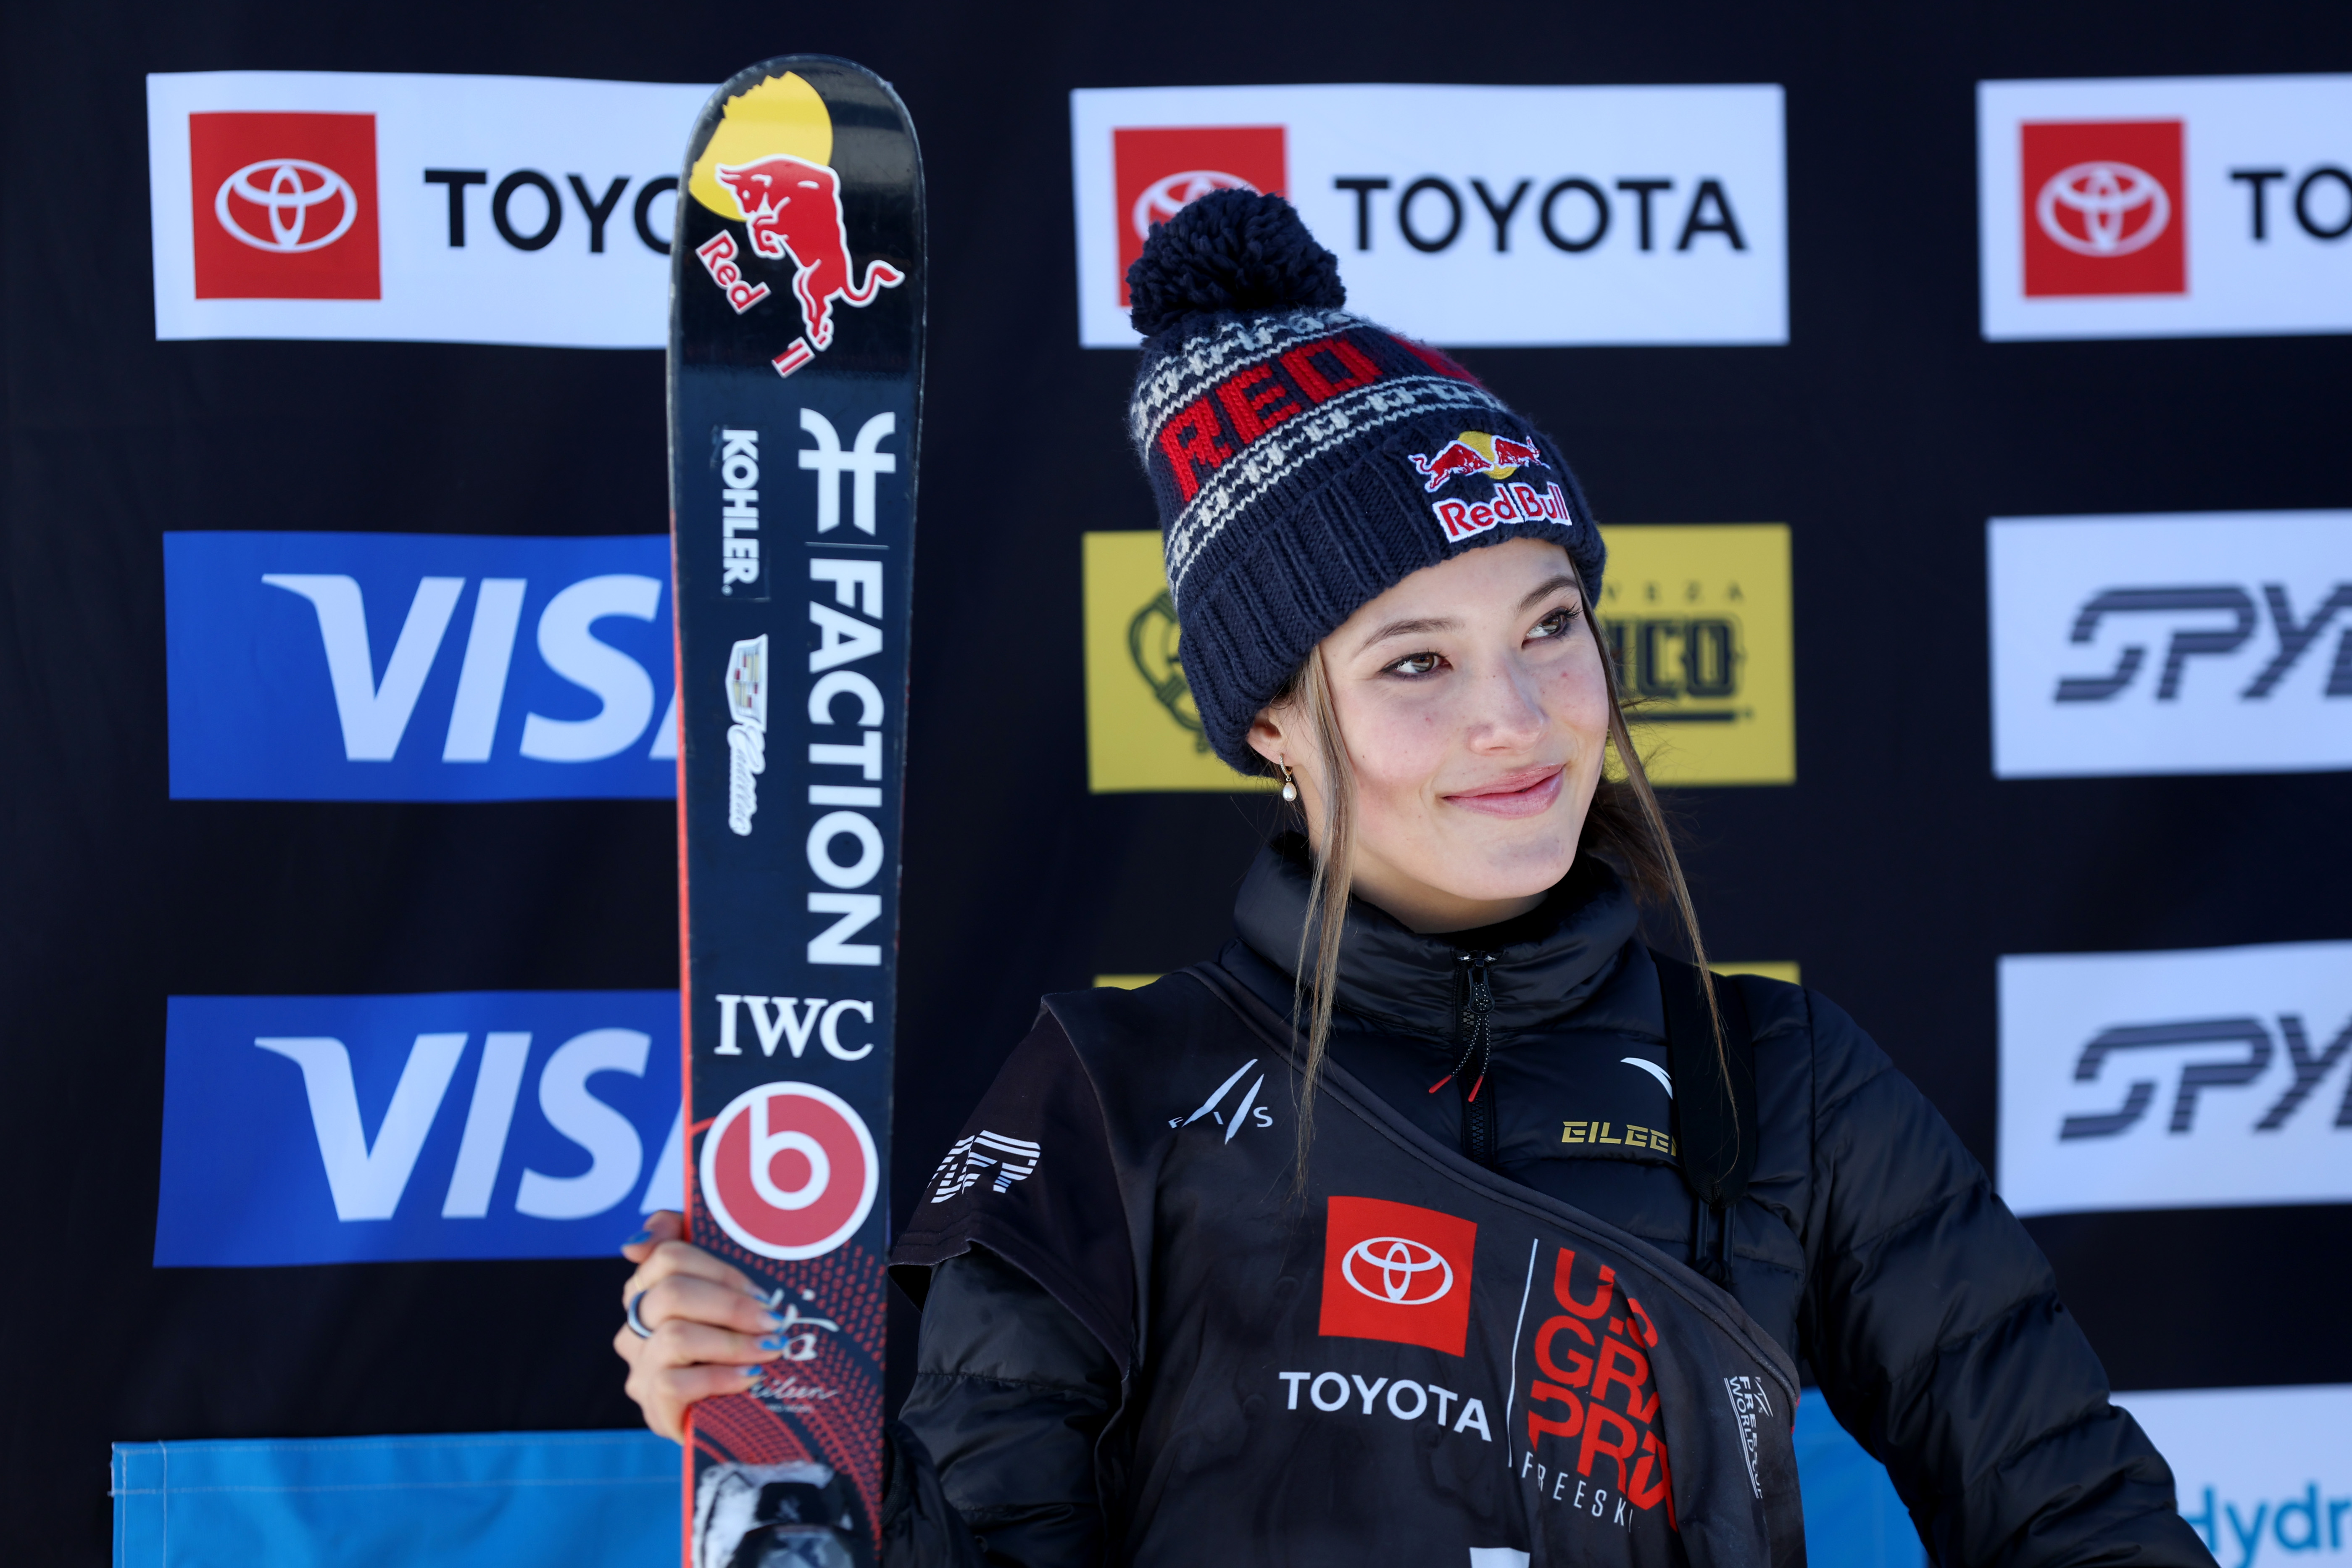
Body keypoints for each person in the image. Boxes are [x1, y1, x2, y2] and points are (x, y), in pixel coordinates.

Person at [619, 191, 2211, 1568]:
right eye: (1416, 662)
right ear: (1271, 724)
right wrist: (790, 1444)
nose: (1517, 719)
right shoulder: (1113, 1100)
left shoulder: (1778, 1081)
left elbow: (2078, 1514)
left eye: (1548, 626)